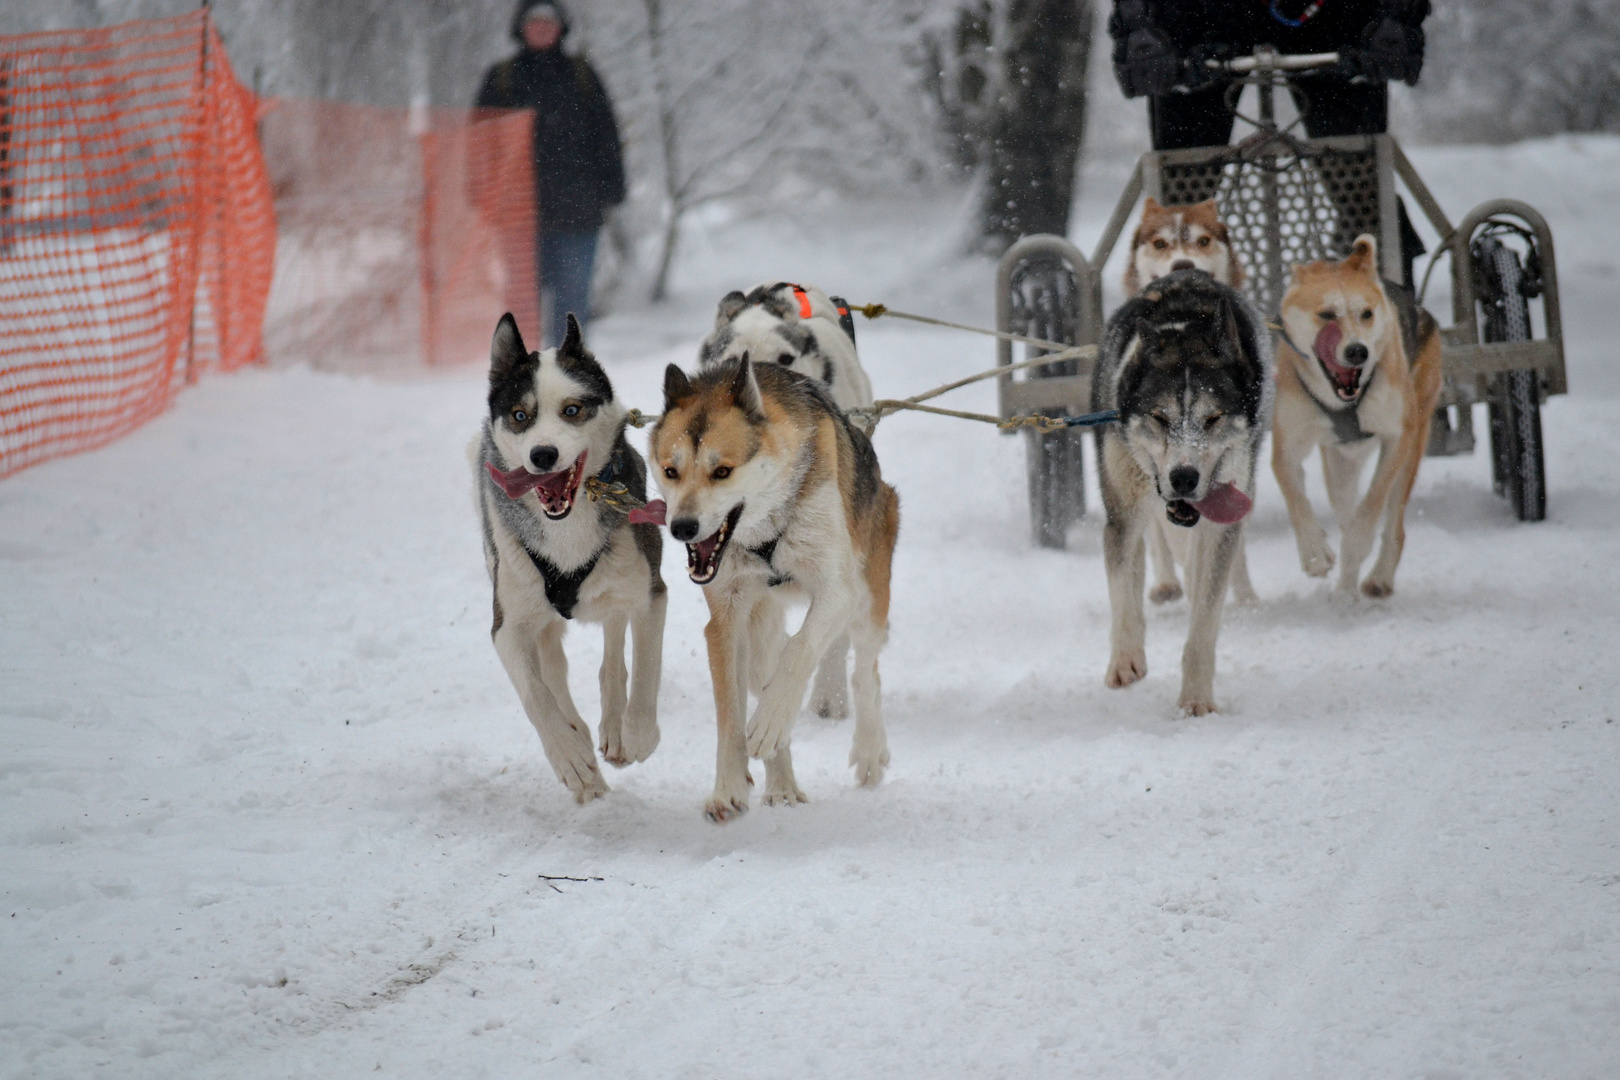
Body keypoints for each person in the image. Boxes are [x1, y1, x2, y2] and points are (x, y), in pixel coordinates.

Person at [1108, 0, 1429, 279]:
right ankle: (1178, 306)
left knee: (1364, 185)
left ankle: (1386, 290)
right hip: (1201, 16)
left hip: (1329, 15)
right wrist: (1139, 26)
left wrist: (1395, 18)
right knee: (1181, 192)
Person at [476, 1, 626, 347]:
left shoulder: (582, 76)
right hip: (517, 215)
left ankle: (566, 373)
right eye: (534, 22)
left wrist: (611, 188)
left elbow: (607, 136)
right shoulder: (501, 79)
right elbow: (479, 142)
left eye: (549, 22)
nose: (542, 28)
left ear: (561, 28)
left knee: (573, 304)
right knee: (519, 302)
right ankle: (521, 374)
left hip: (578, 213)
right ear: (521, 28)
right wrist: (482, 194)